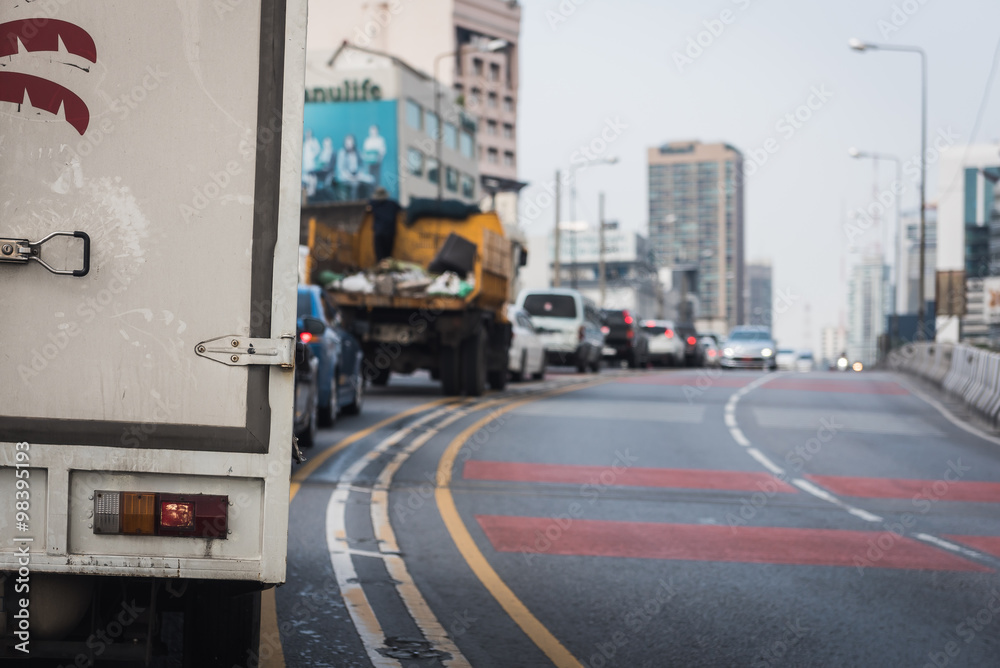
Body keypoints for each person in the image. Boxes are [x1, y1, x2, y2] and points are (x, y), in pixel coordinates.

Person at [370, 187, 401, 262]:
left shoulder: (373, 204)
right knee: (388, 255)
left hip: (379, 232)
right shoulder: (393, 204)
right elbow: (402, 211)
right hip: (390, 232)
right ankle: (386, 268)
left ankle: (381, 269)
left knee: (380, 256)